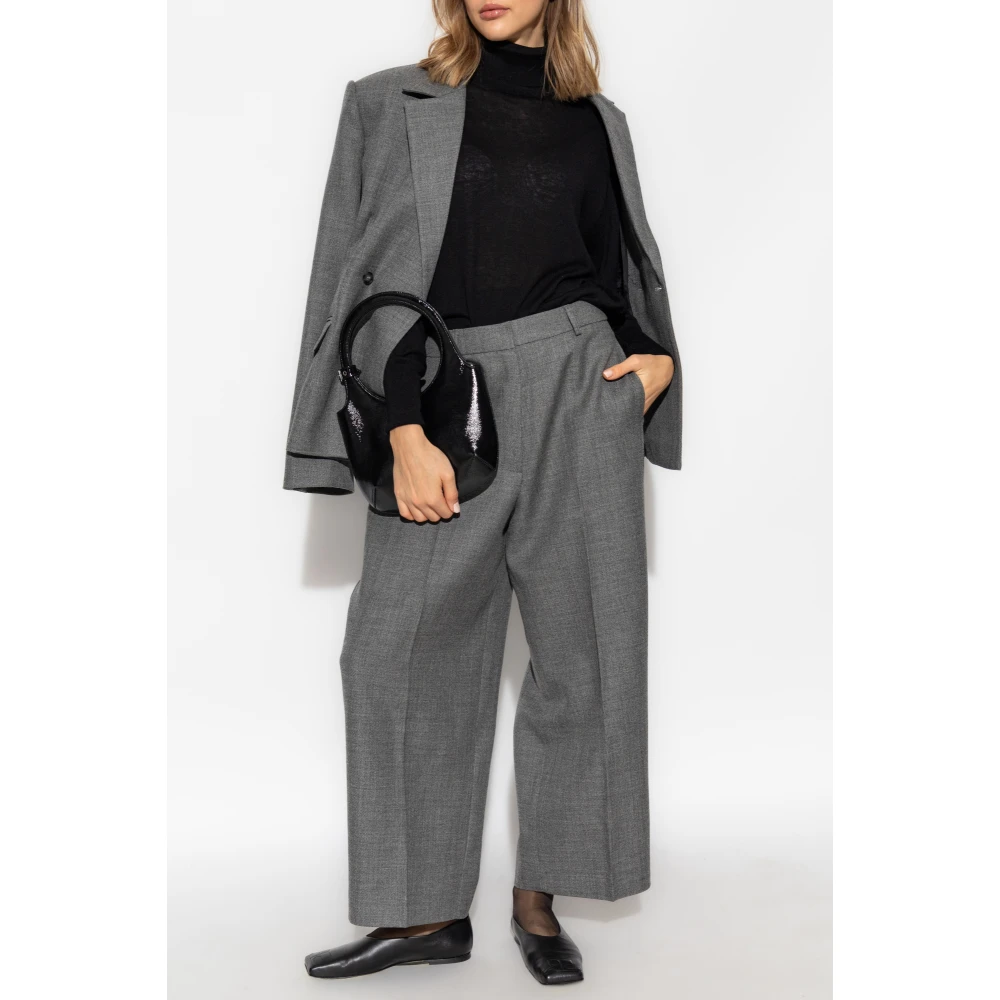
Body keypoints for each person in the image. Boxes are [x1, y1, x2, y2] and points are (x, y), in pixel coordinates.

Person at [284, 0, 682, 985]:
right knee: (394, 651)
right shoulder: (387, 103)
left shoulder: (598, 120)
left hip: (582, 384)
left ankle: (540, 898)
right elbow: (356, 278)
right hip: (442, 390)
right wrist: (401, 426)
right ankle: (425, 913)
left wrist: (654, 363)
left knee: (587, 654)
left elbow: (615, 268)